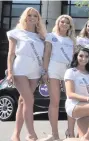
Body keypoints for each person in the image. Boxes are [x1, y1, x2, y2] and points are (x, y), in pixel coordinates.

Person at [7, 7, 47, 141]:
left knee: (23, 102)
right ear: (25, 17)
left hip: (35, 72)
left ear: (38, 19)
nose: (32, 18)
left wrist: (44, 72)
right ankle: (31, 134)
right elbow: (11, 54)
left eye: (35, 16)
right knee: (29, 101)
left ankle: (16, 134)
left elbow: (44, 56)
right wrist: (10, 72)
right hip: (20, 71)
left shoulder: (41, 36)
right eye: (29, 15)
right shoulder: (16, 33)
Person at [42, 15, 76, 140]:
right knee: (55, 102)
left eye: (67, 23)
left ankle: (70, 132)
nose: (65, 24)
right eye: (62, 21)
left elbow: (73, 59)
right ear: (58, 22)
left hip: (68, 71)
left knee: (71, 101)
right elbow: (46, 54)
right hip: (53, 70)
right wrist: (44, 71)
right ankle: (55, 134)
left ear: (70, 26)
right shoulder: (51, 36)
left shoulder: (71, 40)